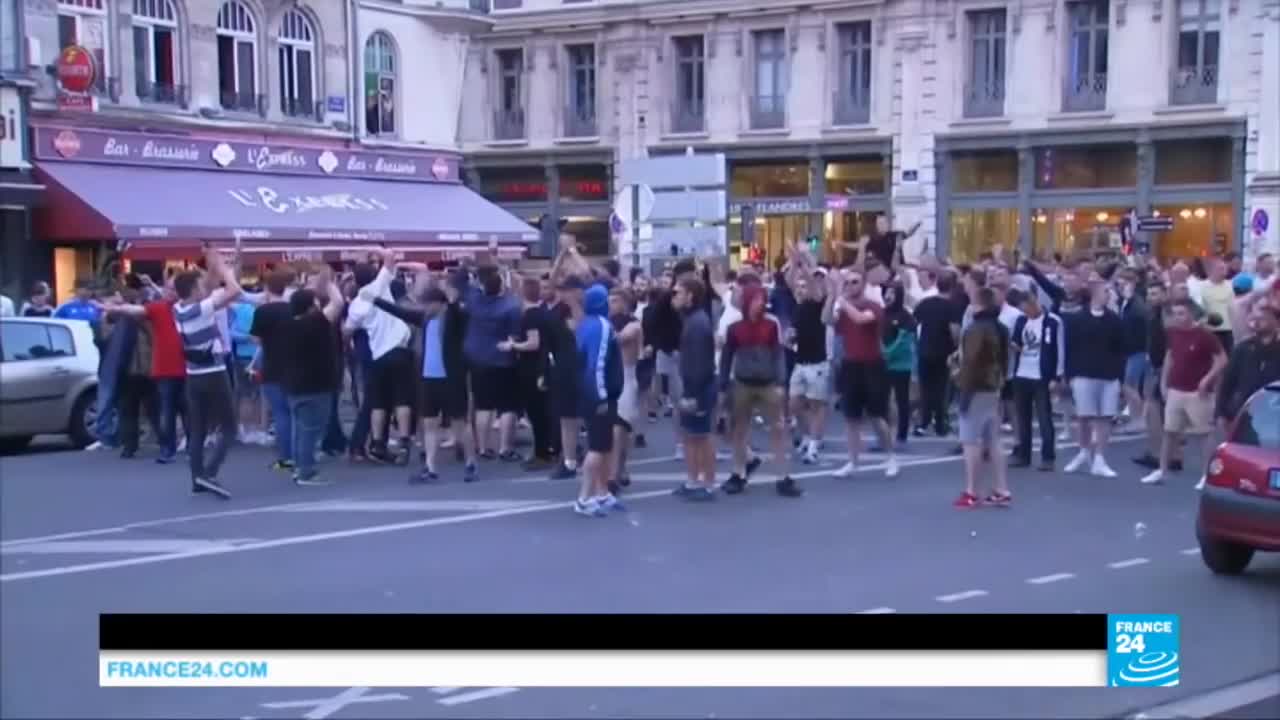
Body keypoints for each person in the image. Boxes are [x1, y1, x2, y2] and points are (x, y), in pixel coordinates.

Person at [719, 283, 802, 498]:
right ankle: (739, 473)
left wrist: (781, 383)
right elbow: (727, 358)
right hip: (743, 382)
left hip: (768, 382)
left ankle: (782, 476)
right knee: (740, 430)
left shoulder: (771, 326)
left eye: (762, 299)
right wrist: (723, 384)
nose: (761, 303)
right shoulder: (735, 328)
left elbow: (778, 354)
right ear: (747, 302)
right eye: (756, 299)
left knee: (778, 428)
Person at [172, 245, 243, 498]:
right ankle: (209, 473)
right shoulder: (201, 309)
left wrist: (217, 261)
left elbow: (211, 285)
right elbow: (234, 290)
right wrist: (225, 269)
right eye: (200, 286)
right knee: (230, 427)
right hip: (214, 372)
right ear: (194, 291)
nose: (205, 288)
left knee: (199, 428)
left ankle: (196, 476)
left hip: (193, 375)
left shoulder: (178, 309)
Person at [1140, 298, 1227, 488]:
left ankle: (1206, 474)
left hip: (1198, 392)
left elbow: (1221, 360)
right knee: (1170, 431)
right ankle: (1161, 470)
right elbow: (1170, 357)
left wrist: (1206, 380)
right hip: (1175, 390)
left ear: (1191, 314)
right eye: (1175, 314)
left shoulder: (1205, 336)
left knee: (1204, 434)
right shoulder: (1173, 333)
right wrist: (1164, 382)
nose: (1178, 318)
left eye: (1182, 313)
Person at [345, 249, 415, 464]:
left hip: (377, 355)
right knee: (402, 399)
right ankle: (404, 442)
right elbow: (390, 257)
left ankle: (376, 443)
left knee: (378, 402)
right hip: (399, 349)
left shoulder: (356, 305)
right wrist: (376, 249)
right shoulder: (379, 286)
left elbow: (347, 330)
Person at [827, 269, 899, 478]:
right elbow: (827, 320)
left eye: (855, 282)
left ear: (864, 283)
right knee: (851, 417)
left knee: (876, 415)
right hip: (851, 365)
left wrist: (841, 298)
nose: (851, 285)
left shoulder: (874, 307)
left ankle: (891, 456)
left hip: (873, 365)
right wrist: (832, 295)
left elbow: (860, 319)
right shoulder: (844, 309)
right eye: (848, 282)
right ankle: (852, 461)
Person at [280, 272, 346, 485]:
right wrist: (329, 284)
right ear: (310, 307)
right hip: (316, 386)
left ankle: (299, 467)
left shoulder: (287, 325)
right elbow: (338, 302)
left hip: (294, 385)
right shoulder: (315, 322)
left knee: (300, 429)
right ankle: (306, 471)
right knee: (311, 430)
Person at [1062, 274, 1127, 478]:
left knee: (1105, 417)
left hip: (1108, 375)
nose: (1109, 295)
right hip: (1083, 373)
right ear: (1095, 294)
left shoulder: (1114, 320)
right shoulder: (1077, 319)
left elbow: (1120, 349)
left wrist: (1119, 377)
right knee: (1083, 416)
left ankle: (1099, 457)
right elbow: (1070, 348)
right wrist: (1069, 375)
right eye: (1105, 291)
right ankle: (1083, 452)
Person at [953, 287, 1012, 508]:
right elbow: (1006, 358)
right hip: (994, 386)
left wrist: (959, 380)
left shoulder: (975, 329)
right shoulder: (1001, 328)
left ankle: (971, 491)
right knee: (993, 439)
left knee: (970, 440)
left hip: (975, 387)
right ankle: (1001, 488)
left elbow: (970, 361)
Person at [572, 284, 625, 517]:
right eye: (609, 300)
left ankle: (602, 493)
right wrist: (602, 396)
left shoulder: (585, 325)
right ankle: (584, 498)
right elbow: (597, 365)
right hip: (600, 395)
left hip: (589, 393)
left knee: (603, 446)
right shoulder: (602, 327)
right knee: (597, 447)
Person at [464, 264, 524, 461]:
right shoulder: (512, 305)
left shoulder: (474, 301)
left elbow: (464, 283)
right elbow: (514, 336)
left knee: (483, 406)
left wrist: (469, 266)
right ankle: (505, 448)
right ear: (501, 286)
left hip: (478, 358)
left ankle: (482, 447)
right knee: (508, 406)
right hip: (502, 359)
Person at [672, 275, 717, 501]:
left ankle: (707, 483)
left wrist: (693, 394)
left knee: (701, 435)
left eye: (678, 292)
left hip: (698, 388)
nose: (674, 296)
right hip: (693, 386)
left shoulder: (698, 323)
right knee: (690, 435)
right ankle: (693, 481)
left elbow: (700, 363)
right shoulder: (692, 319)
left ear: (690, 296)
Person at [249, 271, 299, 471]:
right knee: (295, 412)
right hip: (294, 365)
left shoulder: (263, 311)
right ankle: (299, 454)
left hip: (271, 365)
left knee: (280, 413)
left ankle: (285, 457)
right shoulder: (293, 309)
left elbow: (255, 339)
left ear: (268, 289)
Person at [1009, 291, 1063, 471]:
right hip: (1022, 373)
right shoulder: (1021, 321)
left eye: (1027, 309)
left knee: (1044, 417)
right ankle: (1024, 454)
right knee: (1022, 417)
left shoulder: (1052, 321)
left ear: (1033, 304)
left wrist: (1057, 376)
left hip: (1041, 375)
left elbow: (1060, 349)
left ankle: (1048, 457)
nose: (1026, 313)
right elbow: (1017, 342)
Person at [511, 276, 557, 472]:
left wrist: (513, 345)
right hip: (541, 366)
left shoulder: (531, 316)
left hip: (532, 369)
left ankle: (542, 454)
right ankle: (546, 450)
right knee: (542, 412)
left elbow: (533, 343)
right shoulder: (542, 313)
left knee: (536, 413)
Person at [789, 267, 832, 464]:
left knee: (817, 405)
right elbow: (789, 280)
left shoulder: (818, 302)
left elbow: (815, 288)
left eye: (804, 286)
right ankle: (807, 436)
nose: (800, 289)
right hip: (800, 361)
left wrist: (804, 263)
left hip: (817, 362)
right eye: (799, 286)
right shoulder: (799, 306)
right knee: (795, 404)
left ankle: (814, 446)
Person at [913, 272, 962, 436]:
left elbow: (915, 324)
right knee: (942, 389)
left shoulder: (925, 303)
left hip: (924, 349)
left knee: (925, 388)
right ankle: (940, 423)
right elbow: (954, 331)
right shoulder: (952, 306)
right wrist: (957, 346)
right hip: (943, 353)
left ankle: (922, 422)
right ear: (953, 287)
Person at [608, 287, 643, 492]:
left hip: (626, 379)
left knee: (620, 429)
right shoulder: (607, 322)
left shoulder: (633, 325)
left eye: (614, 301)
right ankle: (618, 470)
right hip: (610, 379)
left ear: (624, 303)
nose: (610, 304)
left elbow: (620, 339)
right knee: (615, 430)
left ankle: (614, 474)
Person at [881, 282, 917, 446]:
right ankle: (884, 435)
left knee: (901, 400)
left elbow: (904, 339)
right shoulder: (881, 314)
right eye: (886, 292)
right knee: (882, 399)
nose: (888, 296)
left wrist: (888, 352)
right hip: (883, 364)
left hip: (901, 365)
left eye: (892, 293)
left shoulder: (906, 317)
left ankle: (902, 435)